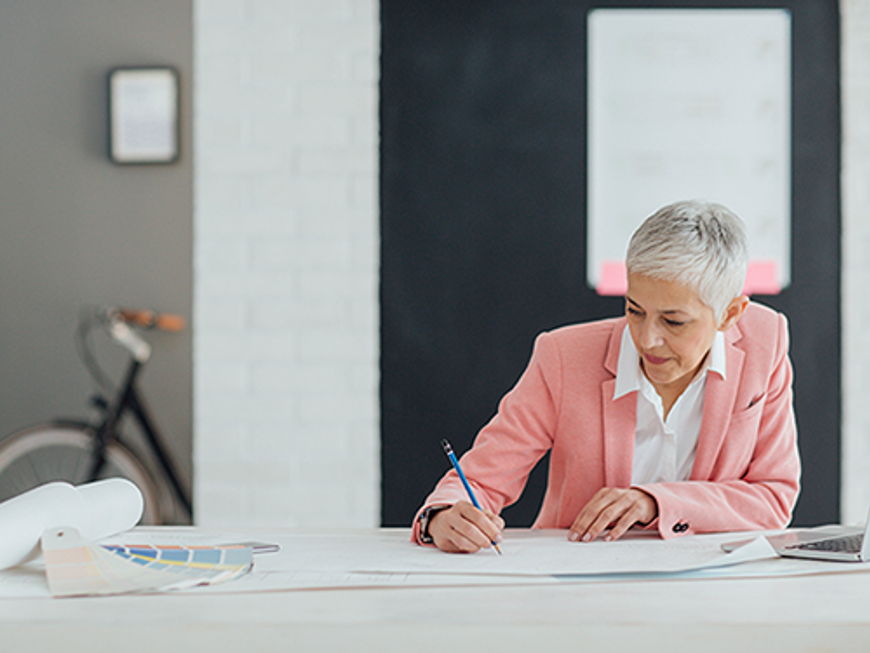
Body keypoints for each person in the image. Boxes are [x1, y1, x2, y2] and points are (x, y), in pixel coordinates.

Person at [411, 200, 801, 553]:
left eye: (674, 321)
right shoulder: (563, 357)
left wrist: (655, 501)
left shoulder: (764, 344)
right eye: (635, 309)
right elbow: (479, 479)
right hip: (582, 584)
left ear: (730, 315)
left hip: (710, 587)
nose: (648, 339)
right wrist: (442, 517)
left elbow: (773, 499)